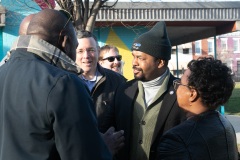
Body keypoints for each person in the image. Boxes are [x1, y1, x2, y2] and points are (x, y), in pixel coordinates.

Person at [0, 9, 111, 160]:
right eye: (76, 46)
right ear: (65, 41)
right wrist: (103, 147)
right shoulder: (64, 83)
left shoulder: (3, 71)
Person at [102, 21, 186, 160]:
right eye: (134, 56)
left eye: (140, 58)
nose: (134, 62)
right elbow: (107, 129)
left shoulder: (181, 92)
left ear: (160, 62)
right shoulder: (124, 90)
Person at [156, 57, 239, 160]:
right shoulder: (225, 125)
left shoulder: (176, 139)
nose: (176, 88)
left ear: (192, 94)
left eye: (179, 84)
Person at [75, 31, 127, 132]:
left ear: (98, 51)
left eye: (91, 50)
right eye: (80, 51)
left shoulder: (118, 82)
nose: (86, 56)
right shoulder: (64, 81)